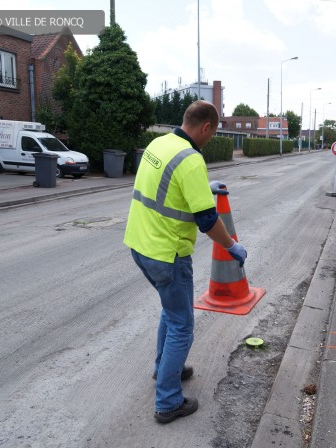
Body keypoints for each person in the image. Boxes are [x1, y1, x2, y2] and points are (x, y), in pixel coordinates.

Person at [123, 100, 247, 424]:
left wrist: (204, 189)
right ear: (206, 127)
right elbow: (208, 221)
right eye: (213, 132)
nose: (210, 138)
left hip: (140, 245)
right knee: (182, 324)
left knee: (171, 311)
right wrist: (232, 246)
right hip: (168, 254)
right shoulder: (192, 159)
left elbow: (167, 186)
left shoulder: (159, 143)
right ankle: (167, 401)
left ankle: (165, 367)